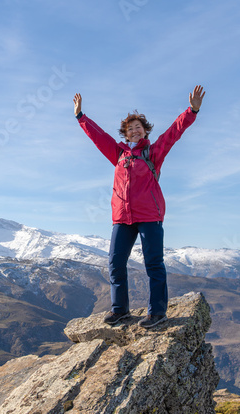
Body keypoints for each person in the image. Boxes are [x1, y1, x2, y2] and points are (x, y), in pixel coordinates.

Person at [73, 86, 205, 327]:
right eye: (130, 128)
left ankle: (157, 313)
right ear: (125, 133)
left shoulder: (152, 152)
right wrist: (81, 117)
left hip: (149, 215)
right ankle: (120, 310)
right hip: (122, 217)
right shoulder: (118, 154)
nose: (134, 131)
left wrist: (192, 110)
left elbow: (173, 133)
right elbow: (98, 136)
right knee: (115, 262)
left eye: (138, 127)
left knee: (153, 263)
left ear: (145, 132)